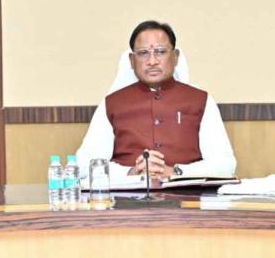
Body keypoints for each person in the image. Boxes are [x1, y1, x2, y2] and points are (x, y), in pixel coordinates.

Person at [76, 20, 236, 180]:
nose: (152, 61)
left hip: (187, 194)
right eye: (143, 53)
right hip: (128, 194)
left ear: (175, 57)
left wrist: (175, 172)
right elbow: (83, 165)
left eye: (160, 52)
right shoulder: (112, 104)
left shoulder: (200, 101)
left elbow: (225, 165)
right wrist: (131, 172)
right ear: (131, 60)